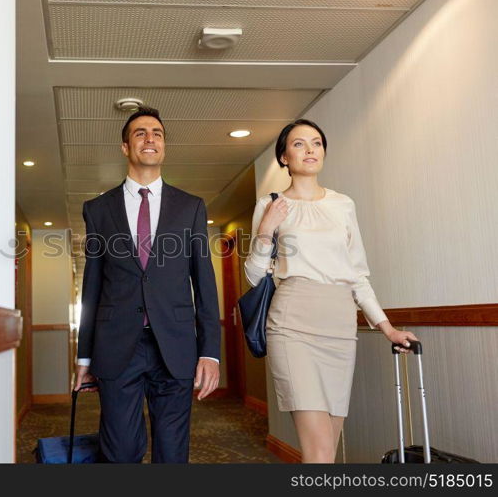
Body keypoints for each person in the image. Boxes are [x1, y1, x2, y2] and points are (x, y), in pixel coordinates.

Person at [244, 119, 417, 463]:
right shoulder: (270, 204)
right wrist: (265, 231)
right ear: (283, 156)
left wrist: (388, 329)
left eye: (317, 143)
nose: (310, 150)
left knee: (329, 449)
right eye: (299, 144)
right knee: (319, 453)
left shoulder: (343, 205)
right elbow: (253, 276)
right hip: (292, 324)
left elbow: (357, 277)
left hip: (339, 328)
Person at [74, 106, 221, 463]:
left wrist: (210, 351)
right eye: (140, 133)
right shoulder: (98, 209)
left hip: (175, 345)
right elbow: (92, 286)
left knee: (173, 452)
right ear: (126, 147)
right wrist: (84, 355)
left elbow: (204, 282)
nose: (150, 138)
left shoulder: (191, 207)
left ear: (164, 147)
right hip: (116, 345)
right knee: (121, 451)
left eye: (157, 133)